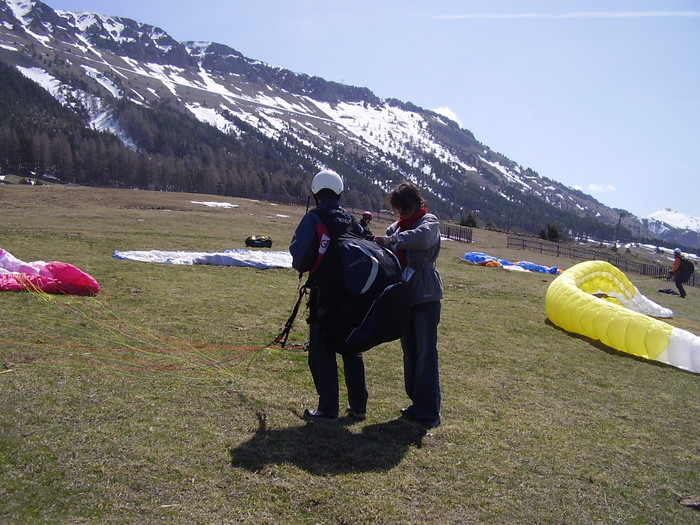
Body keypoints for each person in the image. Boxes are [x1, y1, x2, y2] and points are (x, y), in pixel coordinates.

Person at [289, 169, 368, 422]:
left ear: (315, 193)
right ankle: (358, 406)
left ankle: (328, 408)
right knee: (351, 348)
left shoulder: (314, 219)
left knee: (322, 351)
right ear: (339, 192)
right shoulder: (352, 221)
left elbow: (299, 259)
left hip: (325, 295)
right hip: (354, 296)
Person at [374, 181, 443, 428]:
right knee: (410, 353)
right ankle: (417, 403)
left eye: (403, 208)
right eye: (397, 209)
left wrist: (394, 240)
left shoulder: (429, 222)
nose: (399, 214)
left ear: (414, 203)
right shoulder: (395, 227)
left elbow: (423, 240)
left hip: (425, 295)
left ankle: (429, 411)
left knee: (426, 353)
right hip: (403, 297)